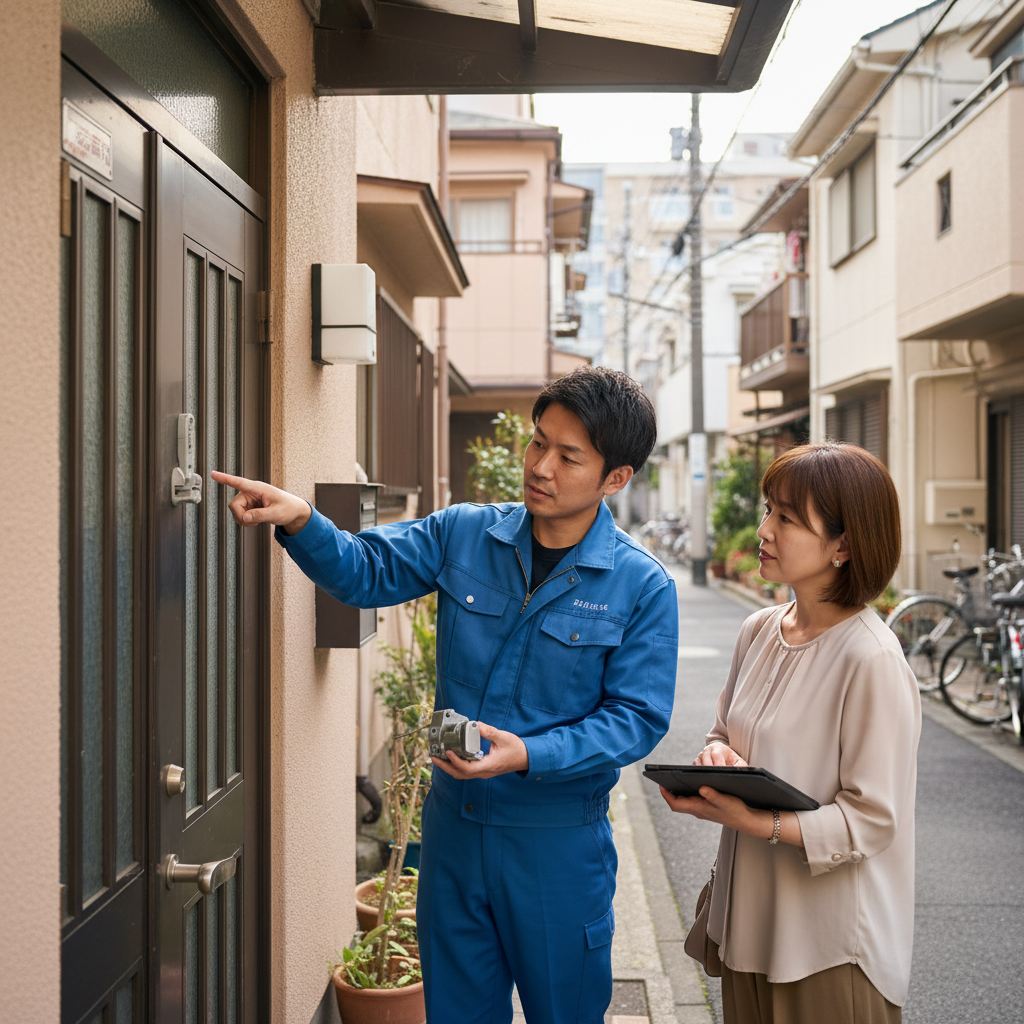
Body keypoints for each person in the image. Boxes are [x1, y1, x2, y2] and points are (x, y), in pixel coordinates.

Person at [212, 366, 679, 1024]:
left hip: (555, 847)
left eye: (568, 455)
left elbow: (637, 720)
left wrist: (529, 754)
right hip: (453, 832)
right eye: (537, 441)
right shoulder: (465, 532)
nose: (540, 465)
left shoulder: (642, 585)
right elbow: (364, 570)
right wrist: (302, 522)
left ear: (616, 478)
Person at [660, 442, 920, 1024]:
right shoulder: (758, 630)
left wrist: (759, 822)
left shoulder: (871, 658)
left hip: (829, 948)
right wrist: (717, 756)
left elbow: (873, 818)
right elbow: (723, 731)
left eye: (786, 518)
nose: (764, 530)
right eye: (768, 510)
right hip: (750, 926)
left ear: (844, 545)